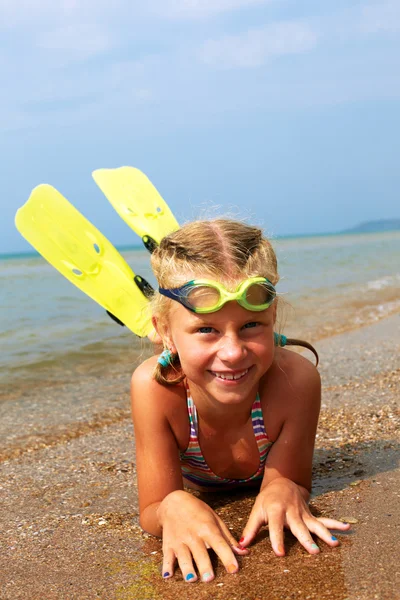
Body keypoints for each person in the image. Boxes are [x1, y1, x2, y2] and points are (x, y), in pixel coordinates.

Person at [131, 218, 350, 583]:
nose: (233, 352)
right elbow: (152, 507)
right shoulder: (157, 390)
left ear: (273, 317)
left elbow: (294, 480)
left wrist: (284, 486)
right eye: (206, 330)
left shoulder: (295, 381)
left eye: (251, 325)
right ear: (164, 331)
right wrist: (173, 505)